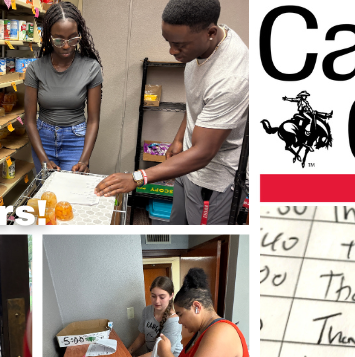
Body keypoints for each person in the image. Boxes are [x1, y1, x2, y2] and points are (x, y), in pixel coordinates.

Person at [94, 0, 248, 225]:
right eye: (168, 42)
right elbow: (198, 100)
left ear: (210, 33)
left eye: (179, 45)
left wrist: (139, 177)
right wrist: (178, 139)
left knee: (198, 235)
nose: (172, 51)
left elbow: (203, 152)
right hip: (186, 165)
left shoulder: (231, 79)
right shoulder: (205, 42)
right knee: (177, 224)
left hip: (212, 180)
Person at [23, 1, 103, 172]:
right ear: (48, 38)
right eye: (59, 40)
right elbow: (29, 121)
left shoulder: (91, 68)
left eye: (73, 38)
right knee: (45, 195)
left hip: (76, 142)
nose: (66, 45)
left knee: (71, 193)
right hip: (42, 140)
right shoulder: (35, 69)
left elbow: (93, 120)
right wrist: (44, 159)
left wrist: (84, 160)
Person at [128, 276, 182, 357]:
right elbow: (141, 337)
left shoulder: (174, 321)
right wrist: (128, 353)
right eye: (153, 296)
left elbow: (163, 353)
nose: (157, 301)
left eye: (162, 297)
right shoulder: (147, 311)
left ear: (171, 296)